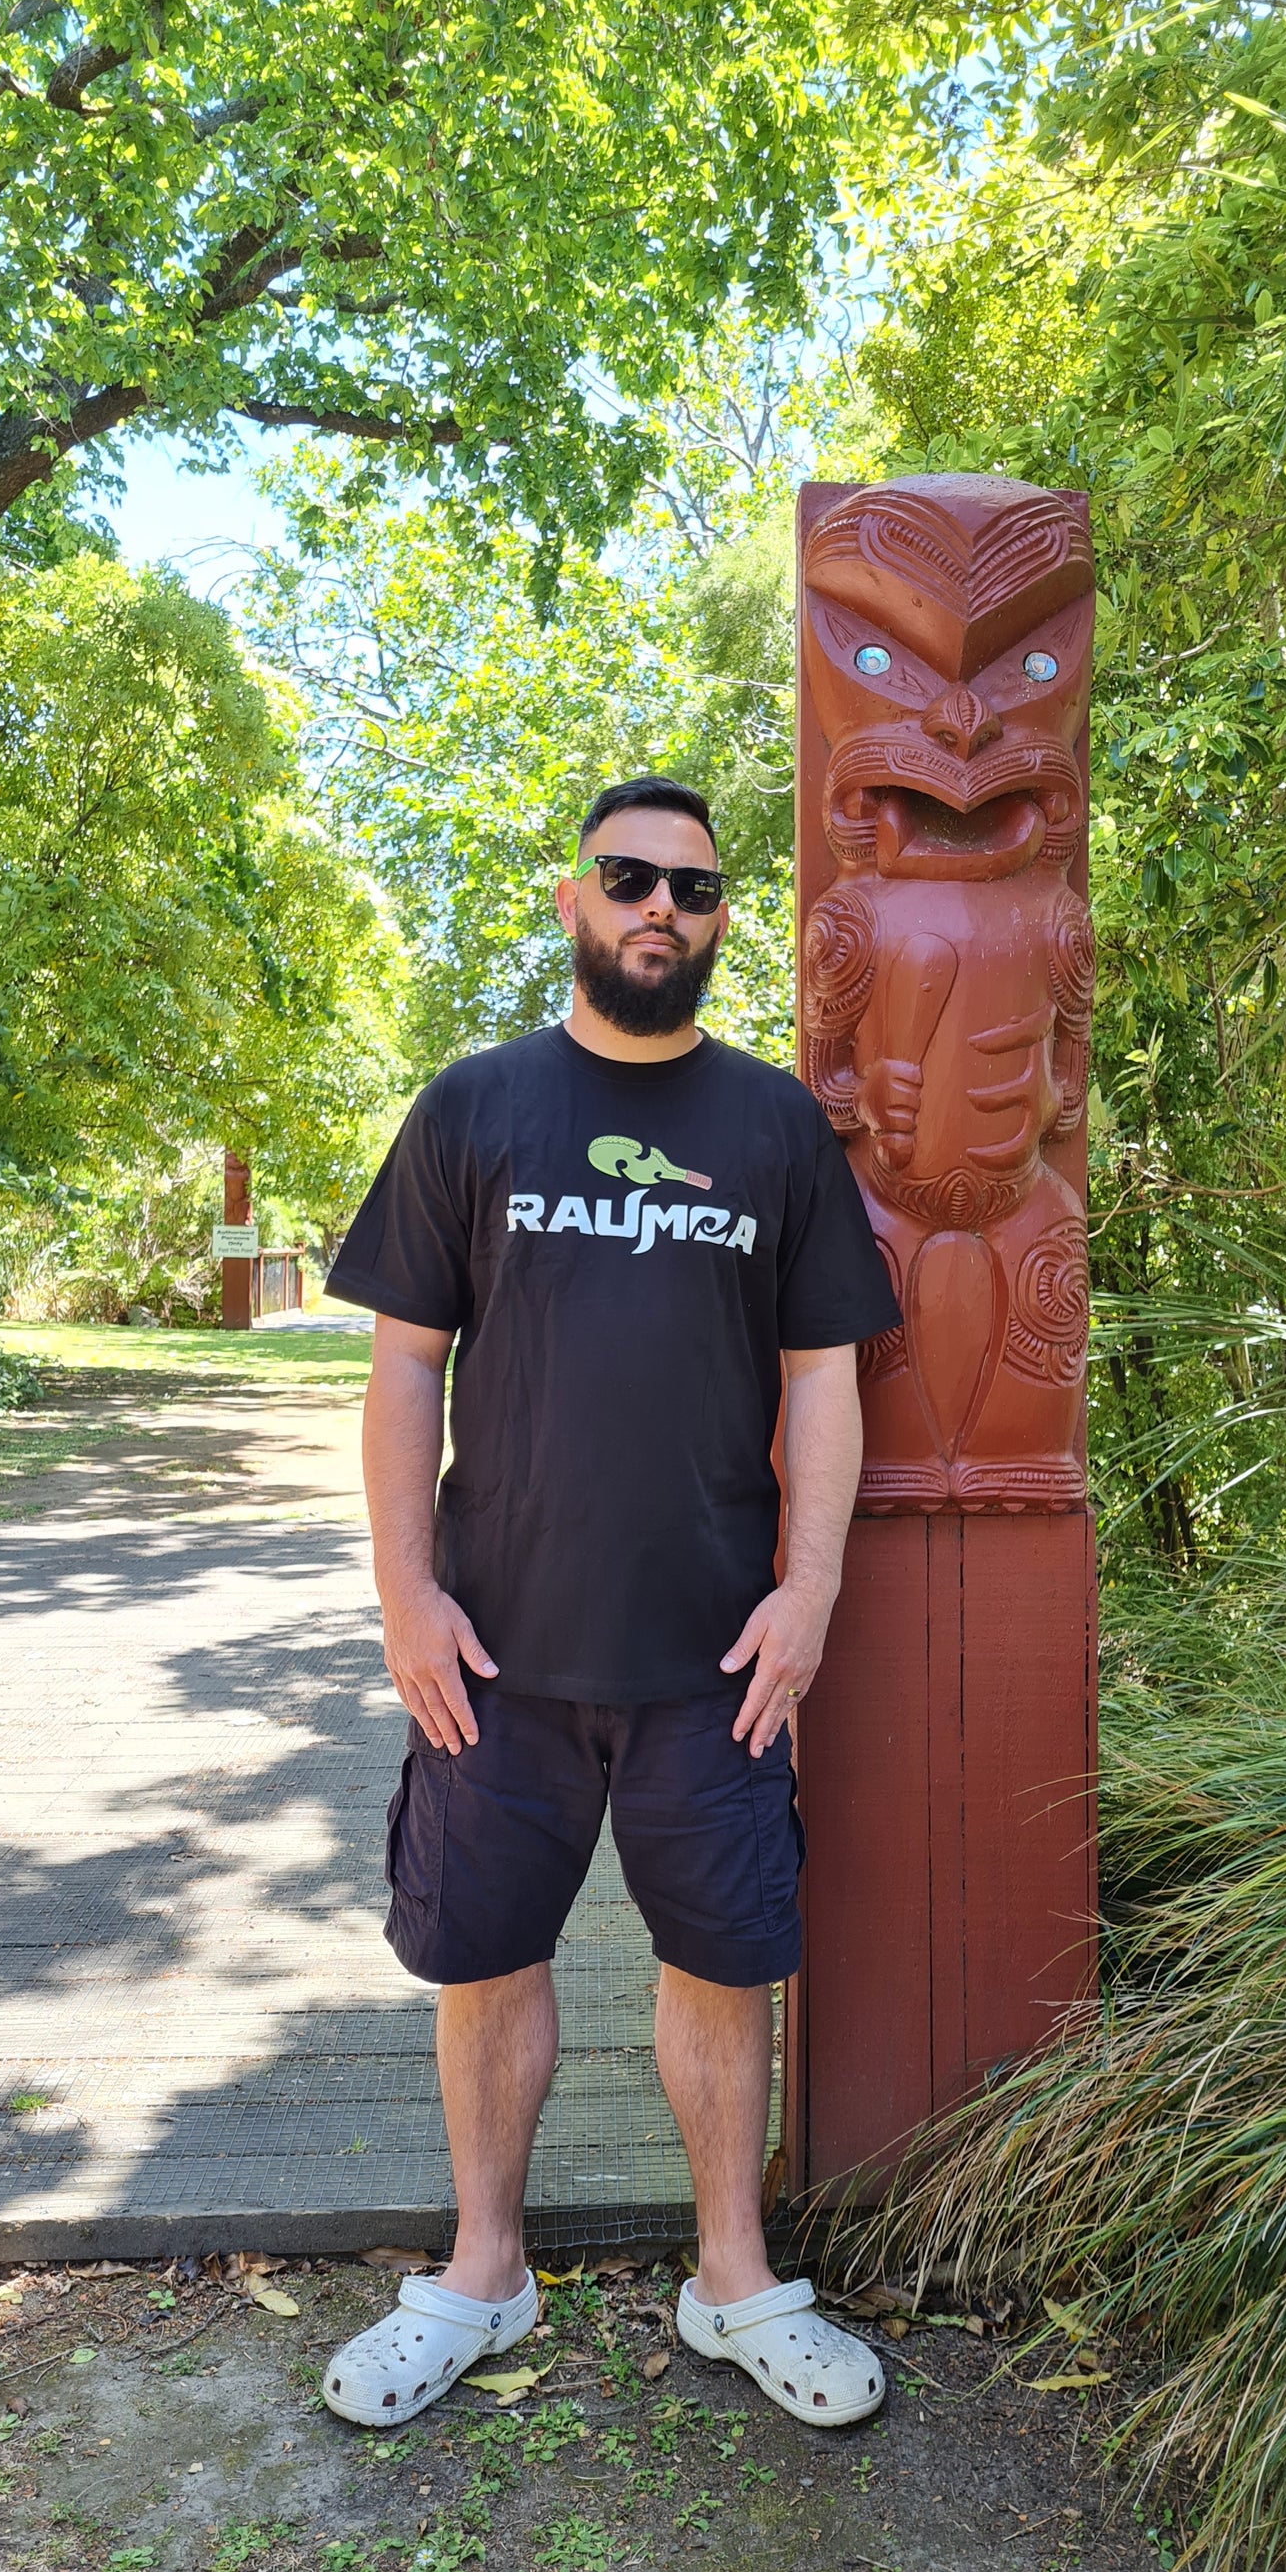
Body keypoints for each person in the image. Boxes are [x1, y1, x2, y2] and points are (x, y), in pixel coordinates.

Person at [317, 774, 901, 2433]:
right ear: (576, 901)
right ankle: (481, 2276)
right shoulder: (474, 1108)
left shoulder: (772, 1126)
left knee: (722, 1959)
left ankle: (733, 2283)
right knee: (484, 1957)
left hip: (715, 1653)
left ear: (720, 925)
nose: (663, 909)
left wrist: (809, 1592)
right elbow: (403, 1365)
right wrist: (405, 1594)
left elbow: (825, 1380)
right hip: (491, 1648)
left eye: (696, 891)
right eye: (631, 879)